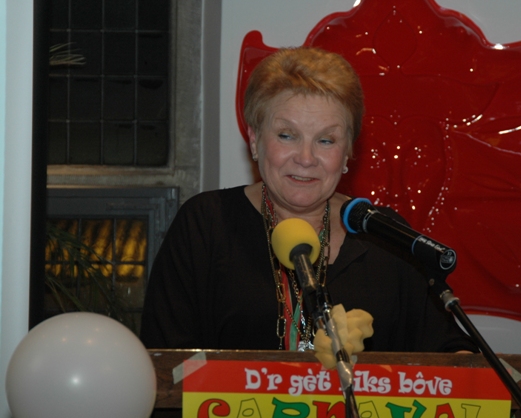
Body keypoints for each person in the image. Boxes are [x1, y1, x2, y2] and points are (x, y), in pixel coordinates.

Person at [139, 46, 477, 355]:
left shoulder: (383, 235)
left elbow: (449, 352)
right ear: (255, 140)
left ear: (348, 152)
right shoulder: (205, 225)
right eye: (287, 135)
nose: (305, 158)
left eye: (326, 140)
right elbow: (166, 360)